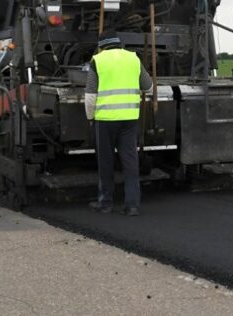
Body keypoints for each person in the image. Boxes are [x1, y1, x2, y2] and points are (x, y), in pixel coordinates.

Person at [85, 30, 152, 216]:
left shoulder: (97, 60)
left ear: (101, 45)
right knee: (130, 162)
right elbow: (149, 86)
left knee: (106, 162)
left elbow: (91, 96)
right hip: (130, 118)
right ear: (118, 43)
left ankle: (105, 203)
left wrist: (90, 117)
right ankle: (132, 205)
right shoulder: (133, 58)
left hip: (105, 120)